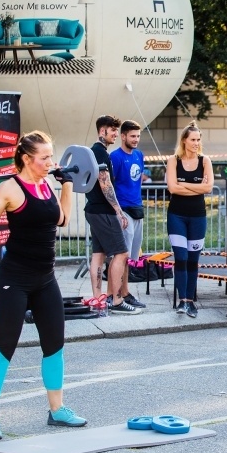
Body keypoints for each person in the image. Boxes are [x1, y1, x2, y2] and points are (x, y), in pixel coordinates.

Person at [0, 131, 86, 440]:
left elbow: (61, 219)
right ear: (26, 159)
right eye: (45, 158)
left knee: (55, 345)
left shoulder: (46, 184)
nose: (51, 162)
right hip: (15, 280)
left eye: (51, 156)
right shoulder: (10, 188)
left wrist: (66, 184)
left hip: (46, 279)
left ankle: (57, 410)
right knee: (4, 346)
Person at [84, 115, 140, 315]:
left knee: (98, 255)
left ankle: (99, 298)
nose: (116, 134)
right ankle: (116, 300)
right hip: (103, 211)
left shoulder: (95, 152)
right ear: (102, 131)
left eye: (117, 130)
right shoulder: (100, 153)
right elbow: (104, 182)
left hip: (93, 210)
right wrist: (118, 211)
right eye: (112, 130)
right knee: (122, 253)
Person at [166, 121, 214, 318]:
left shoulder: (205, 161)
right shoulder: (173, 161)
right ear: (184, 141)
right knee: (181, 258)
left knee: (193, 260)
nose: (196, 143)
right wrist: (197, 187)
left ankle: (191, 301)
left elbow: (208, 188)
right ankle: (182, 300)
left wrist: (183, 184)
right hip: (176, 215)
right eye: (193, 139)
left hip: (198, 217)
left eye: (198, 139)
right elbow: (172, 189)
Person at [109, 120, 147, 309]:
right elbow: (109, 184)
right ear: (123, 136)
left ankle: (125, 292)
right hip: (123, 210)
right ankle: (119, 294)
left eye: (138, 136)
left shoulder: (139, 155)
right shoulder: (115, 157)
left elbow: (137, 181)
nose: (136, 139)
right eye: (132, 136)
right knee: (122, 255)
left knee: (131, 257)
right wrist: (117, 211)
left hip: (137, 208)